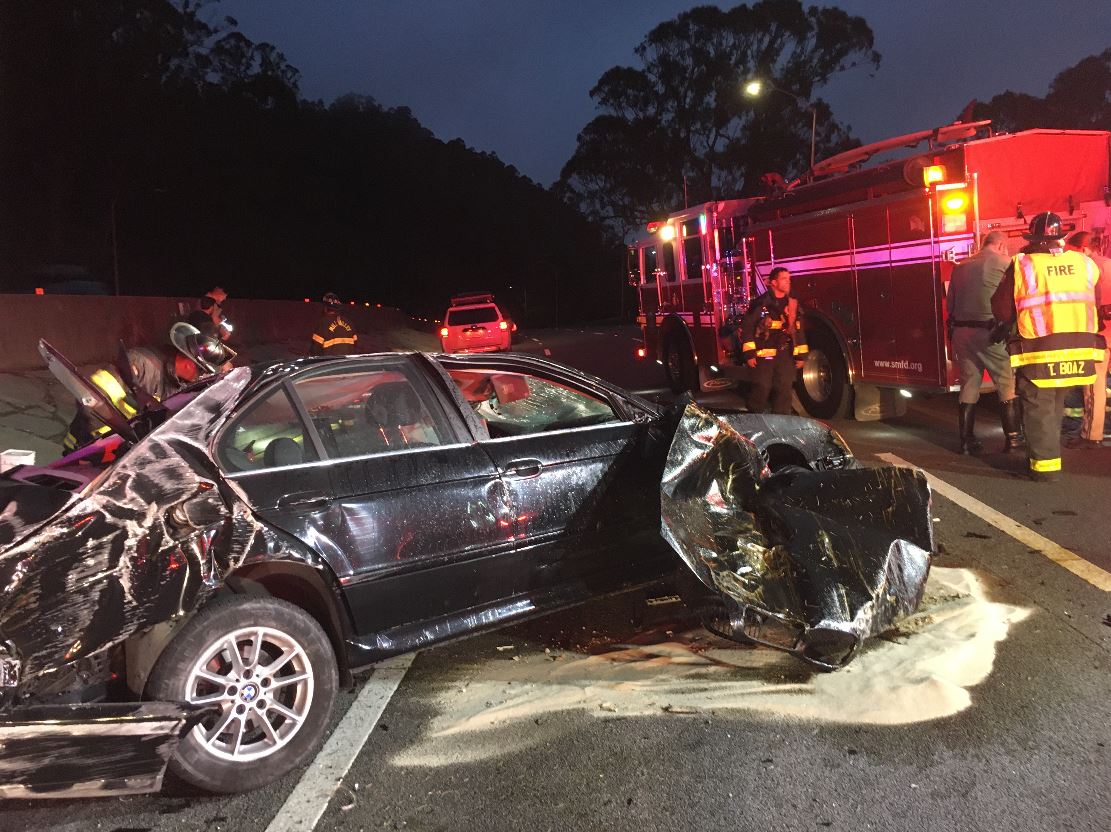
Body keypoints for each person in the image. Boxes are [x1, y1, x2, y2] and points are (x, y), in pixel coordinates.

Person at [990, 212, 1103, 481]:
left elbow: (1002, 309)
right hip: (1078, 346)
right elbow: (1093, 300)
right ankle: (1050, 458)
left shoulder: (1024, 264)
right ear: (1060, 238)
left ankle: (1043, 468)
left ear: (1034, 239)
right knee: (1055, 403)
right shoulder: (1084, 263)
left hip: (1040, 348)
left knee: (1038, 407)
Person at [63, 323, 236, 451]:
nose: (203, 377)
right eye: (202, 372)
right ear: (190, 364)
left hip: (126, 454)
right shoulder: (140, 364)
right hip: (86, 448)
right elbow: (91, 401)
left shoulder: (181, 383)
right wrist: (108, 444)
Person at [946, 230, 1022, 454]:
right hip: (990, 334)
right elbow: (1016, 297)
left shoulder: (959, 267)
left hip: (962, 334)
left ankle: (966, 441)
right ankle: (1014, 438)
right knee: (1006, 382)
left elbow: (950, 305)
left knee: (970, 383)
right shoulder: (1005, 262)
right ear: (1000, 245)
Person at [724, 267, 807, 414]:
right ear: (773, 282)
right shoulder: (760, 303)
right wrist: (750, 354)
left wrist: (801, 355)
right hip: (763, 356)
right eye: (784, 279)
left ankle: (780, 423)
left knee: (784, 388)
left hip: (785, 354)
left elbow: (798, 330)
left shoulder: (792, 304)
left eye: (789, 279)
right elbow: (747, 327)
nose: (788, 282)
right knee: (762, 387)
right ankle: (755, 417)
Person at [1063, 231, 1111, 448]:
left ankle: (1092, 436)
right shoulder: (1109, 264)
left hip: (1097, 334)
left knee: (1094, 385)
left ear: (1082, 249)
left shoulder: (1086, 269)